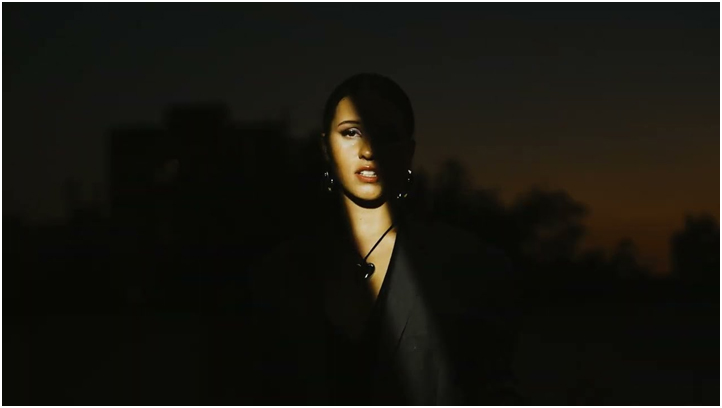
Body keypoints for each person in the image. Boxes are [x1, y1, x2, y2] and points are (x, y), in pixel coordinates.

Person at [245, 73, 520, 405]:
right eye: (351, 132)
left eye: (387, 135)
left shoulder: (466, 265)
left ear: (408, 152)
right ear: (325, 147)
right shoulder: (279, 271)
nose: (369, 149)